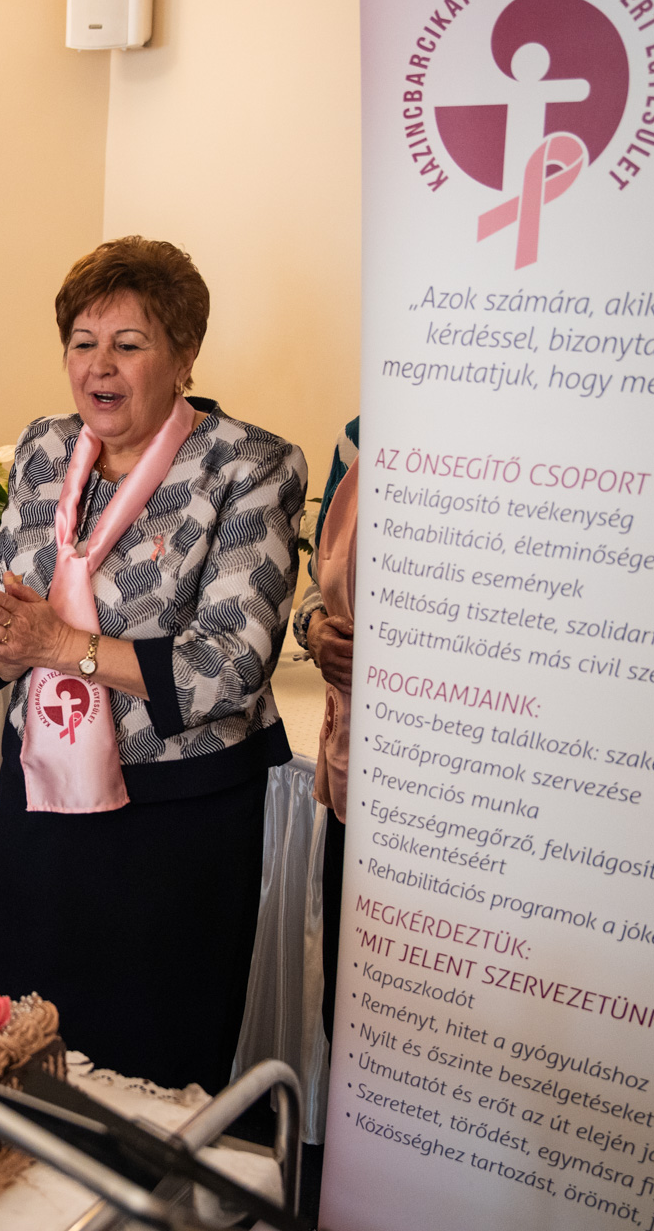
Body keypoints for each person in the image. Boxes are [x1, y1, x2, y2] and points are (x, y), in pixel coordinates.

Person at [0, 237, 307, 1093]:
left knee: (154, 1059)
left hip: (175, 819)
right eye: (83, 341)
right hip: (43, 796)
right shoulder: (45, 449)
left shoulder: (249, 466)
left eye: (129, 343)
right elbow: (9, 586)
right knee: (28, 1039)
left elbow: (231, 667)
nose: (99, 366)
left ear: (184, 356)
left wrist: (58, 645)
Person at [293, 417, 359, 1041]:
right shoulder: (356, 440)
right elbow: (316, 586)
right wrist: (315, 630)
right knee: (352, 1002)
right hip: (354, 768)